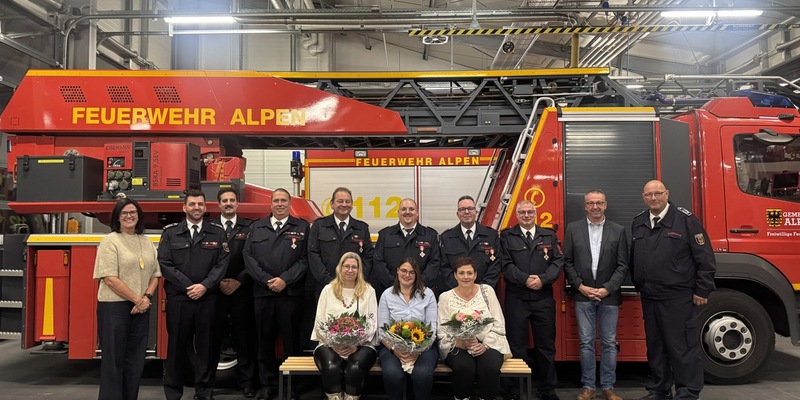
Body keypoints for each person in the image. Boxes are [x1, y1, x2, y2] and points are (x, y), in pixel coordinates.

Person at [630, 180, 716, 400]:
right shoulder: (639, 222)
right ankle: (660, 390)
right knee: (656, 347)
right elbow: (635, 258)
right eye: (649, 195)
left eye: (658, 193)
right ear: (643, 197)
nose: (654, 198)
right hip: (650, 297)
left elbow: (705, 258)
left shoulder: (686, 220)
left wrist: (702, 290)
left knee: (681, 347)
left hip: (678, 297)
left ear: (666, 194)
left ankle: (687, 392)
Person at [158, 189, 230, 400]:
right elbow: (165, 263)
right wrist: (189, 286)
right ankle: (173, 392)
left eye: (200, 204)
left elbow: (222, 263)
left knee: (207, 348)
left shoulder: (217, 232)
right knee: (176, 348)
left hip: (207, 299)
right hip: (180, 299)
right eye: (192, 204)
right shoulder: (171, 232)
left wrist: (205, 286)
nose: (196, 208)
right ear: (184, 207)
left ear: (205, 207)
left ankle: (204, 392)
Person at [244, 188, 310, 400]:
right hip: (263, 294)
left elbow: (305, 259)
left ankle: (292, 386)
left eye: (283, 200)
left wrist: (285, 280)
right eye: (276, 201)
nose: (279, 204)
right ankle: (267, 385)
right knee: (264, 342)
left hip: (290, 295)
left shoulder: (302, 227)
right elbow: (249, 257)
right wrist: (266, 281)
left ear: (289, 203)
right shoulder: (257, 227)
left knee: (292, 343)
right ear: (270, 204)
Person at [563, 190, 629, 400]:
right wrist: (580, 287)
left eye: (599, 203)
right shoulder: (573, 229)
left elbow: (622, 265)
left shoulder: (618, 231)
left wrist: (607, 288)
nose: (595, 207)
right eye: (591, 203)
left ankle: (608, 387)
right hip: (583, 295)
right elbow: (567, 262)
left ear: (605, 205)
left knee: (609, 342)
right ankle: (588, 387)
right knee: (586, 342)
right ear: (585, 206)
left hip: (609, 295)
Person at [93, 198, 161, 400]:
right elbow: (110, 278)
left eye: (132, 212)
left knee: (135, 360)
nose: (129, 216)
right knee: (114, 361)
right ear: (117, 218)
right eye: (124, 213)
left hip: (141, 307)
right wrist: (138, 300)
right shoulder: (110, 241)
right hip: (115, 307)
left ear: (139, 215)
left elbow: (155, 274)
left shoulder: (146, 241)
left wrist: (146, 297)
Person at [499, 200, 563, 400]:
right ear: (517, 215)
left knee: (546, 345)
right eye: (522, 212)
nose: (526, 215)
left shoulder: (549, 235)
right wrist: (525, 279)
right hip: (517, 297)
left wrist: (542, 280)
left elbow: (558, 262)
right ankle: (516, 389)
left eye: (530, 212)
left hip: (542, 297)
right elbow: (505, 264)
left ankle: (547, 388)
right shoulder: (508, 237)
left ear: (535, 214)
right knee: (516, 345)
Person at [306, 187, 373, 349]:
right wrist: (329, 282)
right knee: (328, 327)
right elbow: (313, 255)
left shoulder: (361, 228)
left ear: (352, 204)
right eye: (340, 201)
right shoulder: (320, 226)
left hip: (354, 290)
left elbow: (369, 257)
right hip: (326, 288)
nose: (344, 204)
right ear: (332, 204)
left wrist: (356, 281)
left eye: (347, 201)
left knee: (354, 326)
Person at [438, 257, 511, 400]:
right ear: (455, 275)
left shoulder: (487, 291)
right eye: (462, 273)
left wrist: (485, 345)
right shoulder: (445, 297)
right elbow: (442, 330)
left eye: (469, 273)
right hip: (458, 344)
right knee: (464, 368)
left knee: (489, 368)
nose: (466, 277)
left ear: (475, 275)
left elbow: (498, 323)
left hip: (489, 343)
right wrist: (461, 343)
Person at [312, 252, 378, 400]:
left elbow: (373, 324)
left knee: (354, 369)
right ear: (340, 268)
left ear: (359, 270)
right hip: (329, 344)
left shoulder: (369, 291)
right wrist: (333, 344)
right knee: (331, 368)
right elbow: (319, 323)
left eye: (354, 267)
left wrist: (356, 345)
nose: (350, 270)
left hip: (362, 345)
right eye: (346, 266)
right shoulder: (328, 290)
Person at [211, 187, 257, 397]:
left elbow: (255, 258)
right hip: (215, 291)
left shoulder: (250, 227)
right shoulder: (209, 228)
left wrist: (239, 281)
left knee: (245, 337)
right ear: (218, 204)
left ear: (238, 203)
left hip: (242, 290)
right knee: (211, 338)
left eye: (232, 200)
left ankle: (247, 383)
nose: (228, 203)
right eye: (224, 200)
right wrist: (218, 281)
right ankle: (207, 384)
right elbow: (205, 260)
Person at [377, 258, 439, 400]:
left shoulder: (427, 294)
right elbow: (382, 330)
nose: (407, 275)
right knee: (393, 375)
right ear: (397, 271)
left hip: (424, 348)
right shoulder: (387, 295)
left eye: (412, 272)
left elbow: (432, 329)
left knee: (422, 375)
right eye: (404, 271)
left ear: (416, 274)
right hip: (392, 347)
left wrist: (418, 351)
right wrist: (395, 350)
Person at [373, 198, 442, 298]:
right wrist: (394, 286)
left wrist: (418, 285)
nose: (407, 212)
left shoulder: (430, 235)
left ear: (417, 212)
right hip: (391, 292)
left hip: (421, 293)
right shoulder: (385, 234)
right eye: (404, 209)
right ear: (398, 212)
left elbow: (434, 262)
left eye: (411, 209)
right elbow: (378, 262)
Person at [440, 195, 501, 290]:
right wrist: (460, 289)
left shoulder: (491, 235)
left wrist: (481, 289)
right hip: (456, 293)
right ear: (457, 214)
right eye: (462, 209)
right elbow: (444, 267)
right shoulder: (446, 237)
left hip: (484, 292)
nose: (467, 212)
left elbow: (496, 265)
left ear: (476, 212)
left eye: (470, 208)